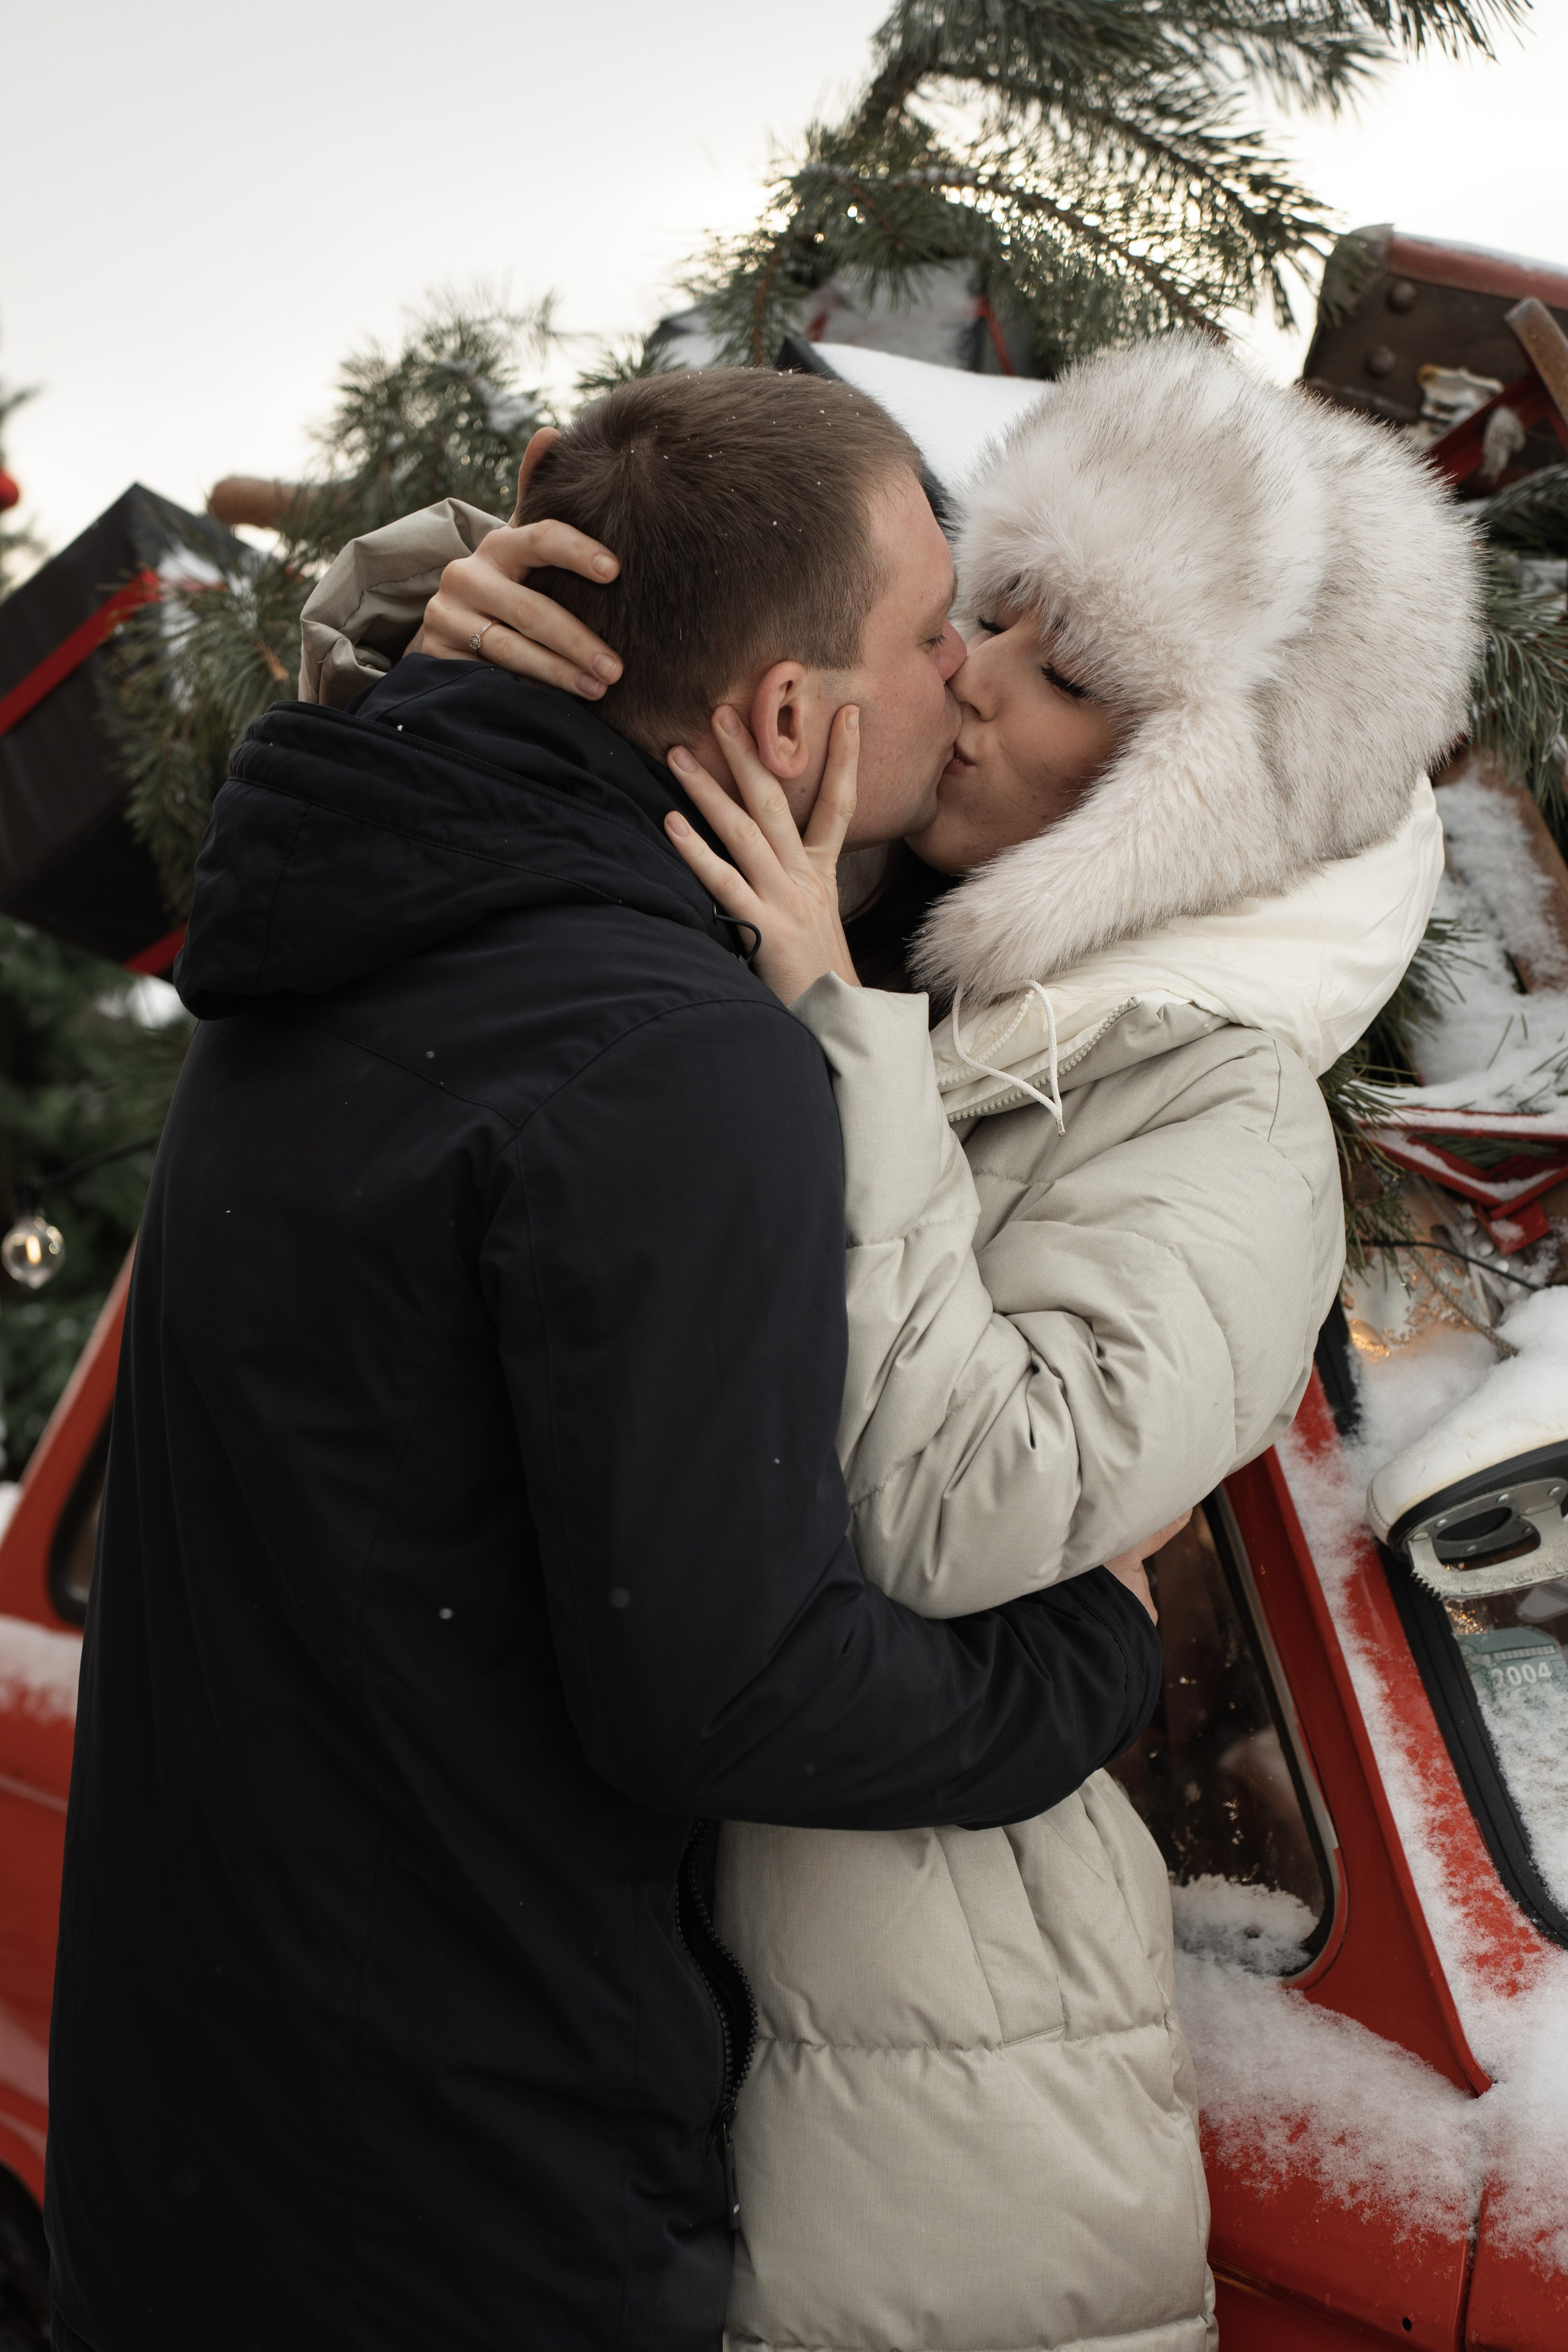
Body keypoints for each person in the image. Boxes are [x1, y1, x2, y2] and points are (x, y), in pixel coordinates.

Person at [318, 333, 1480, 2352]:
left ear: (1202, 800)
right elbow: (531, 873)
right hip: (623, 2035)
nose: (981, 677)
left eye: (1077, 679)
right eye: (998, 608)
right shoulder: (875, 918)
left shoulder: (1212, 1103)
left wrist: (821, 1039)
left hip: (933, 2111)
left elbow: (974, 1500)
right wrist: (432, 617)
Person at [43, 371, 1169, 2352]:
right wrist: (1084, 1653)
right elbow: (725, 1689)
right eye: (929, 634)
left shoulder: (339, 918)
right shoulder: (669, 1059)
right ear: (789, 722)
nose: (965, 680)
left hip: (200, 2147)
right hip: (467, 2210)